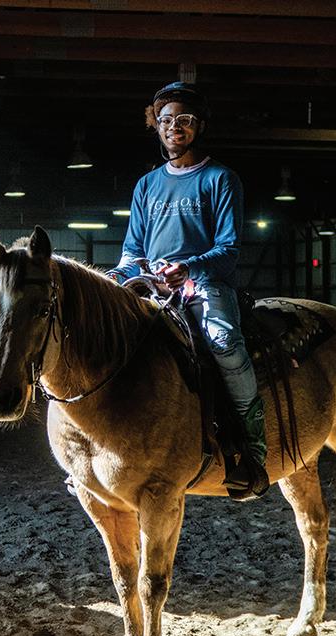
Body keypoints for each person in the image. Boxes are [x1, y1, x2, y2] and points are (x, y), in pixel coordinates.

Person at [105, 82, 267, 499]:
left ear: (200, 126)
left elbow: (228, 249)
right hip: (153, 287)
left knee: (226, 344)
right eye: (165, 120)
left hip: (204, 285)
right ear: (156, 126)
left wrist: (189, 267)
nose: (174, 127)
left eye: (184, 120)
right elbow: (133, 250)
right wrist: (117, 276)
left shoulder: (221, 179)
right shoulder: (146, 185)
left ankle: (253, 447)